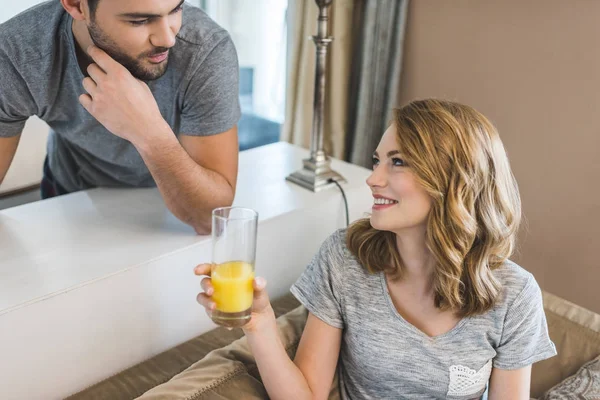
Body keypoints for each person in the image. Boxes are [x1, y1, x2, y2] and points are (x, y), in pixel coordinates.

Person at [195, 99, 557, 399]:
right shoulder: (344, 259)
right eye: (377, 160)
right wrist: (259, 324)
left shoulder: (515, 296)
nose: (372, 178)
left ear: (453, 180)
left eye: (397, 162)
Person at [0, 0, 241, 234]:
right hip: (72, 197)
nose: (168, 39)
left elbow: (209, 220)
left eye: (176, 8)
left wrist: (149, 133)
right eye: (140, 20)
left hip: (174, 203)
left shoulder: (205, 49)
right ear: (76, 5)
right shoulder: (17, 53)